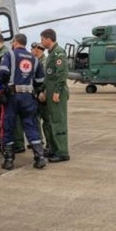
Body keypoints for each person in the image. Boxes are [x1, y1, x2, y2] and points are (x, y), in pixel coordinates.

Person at [0, 33, 46, 170]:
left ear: (15, 42)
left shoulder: (9, 55)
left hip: (12, 96)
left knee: (8, 126)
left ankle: (9, 160)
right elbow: (40, 80)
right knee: (31, 125)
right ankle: (40, 157)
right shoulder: (34, 59)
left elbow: (3, 72)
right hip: (28, 97)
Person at [0, 33, 26, 153]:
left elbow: (0, 72)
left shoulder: (4, 53)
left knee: (8, 119)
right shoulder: (4, 53)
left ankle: (12, 145)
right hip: (19, 91)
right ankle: (11, 143)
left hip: (9, 90)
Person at [38, 28, 70, 162]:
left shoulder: (58, 54)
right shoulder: (51, 54)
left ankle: (62, 152)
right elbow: (49, 77)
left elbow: (61, 75)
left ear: (48, 39)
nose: (41, 42)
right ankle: (53, 149)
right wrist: (43, 90)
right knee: (51, 121)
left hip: (57, 93)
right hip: (50, 92)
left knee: (58, 121)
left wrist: (57, 91)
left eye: (42, 39)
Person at [31, 42, 48, 148]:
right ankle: (38, 141)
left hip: (42, 95)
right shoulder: (37, 61)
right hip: (37, 93)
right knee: (35, 119)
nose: (31, 51)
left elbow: (45, 80)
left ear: (38, 50)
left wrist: (42, 92)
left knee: (45, 121)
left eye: (32, 49)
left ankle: (47, 144)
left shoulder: (44, 63)